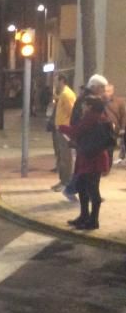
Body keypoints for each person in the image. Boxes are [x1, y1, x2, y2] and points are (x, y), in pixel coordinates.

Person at [59, 95, 112, 230]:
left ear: (90, 106)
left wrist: (61, 127)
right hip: (91, 157)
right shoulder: (98, 117)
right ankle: (84, 216)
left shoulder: (91, 118)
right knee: (83, 187)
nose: (82, 106)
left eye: (84, 104)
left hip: (92, 159)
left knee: (92, 190)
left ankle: (93, 220)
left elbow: (76, 132)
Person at [62, 74, 107, 202]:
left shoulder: (88, 98)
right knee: (86, 168)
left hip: (88, 138)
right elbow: (82, 120)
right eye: (101, 87)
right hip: (86, 139)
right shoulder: (87, 100)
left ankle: (91, 193)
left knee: (90, 168)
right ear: (94, 87)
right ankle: (71, 189)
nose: (103, 90)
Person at [52, 75, 77, 192]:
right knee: (62, 156)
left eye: (56, 80)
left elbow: (72, 112)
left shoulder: (67, 94)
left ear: (62, 81)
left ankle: (66, 182)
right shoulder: (63, 94)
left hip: (65, 130)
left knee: (65, 156)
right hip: (61, 129)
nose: (54, 82)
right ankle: (63, 180)